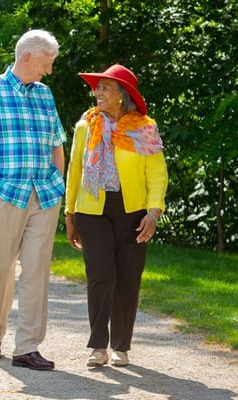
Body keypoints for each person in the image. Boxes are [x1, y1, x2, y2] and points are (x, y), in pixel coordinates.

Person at [0, 29, 66, 371]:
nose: (48, 71)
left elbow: (56, 143)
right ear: (27, 58)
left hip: (44, 194)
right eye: (46, 64)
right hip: (7, 193)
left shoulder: (45, 95)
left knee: (37, 272)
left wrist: (58, 184)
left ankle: (27, 347)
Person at [64, 64, 168, 367]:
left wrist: (153, 211)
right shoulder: (86, 124)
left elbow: (157, 173)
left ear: (122, 96)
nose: (97, 92)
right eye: (97, 87)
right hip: (91, 208)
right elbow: (75, 170)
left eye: (105, 88)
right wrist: (70, 213)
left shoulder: (144, 128)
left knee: (127, 277)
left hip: (132, 210)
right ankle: (98, 346)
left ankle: (121, 345)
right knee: (99, 275)